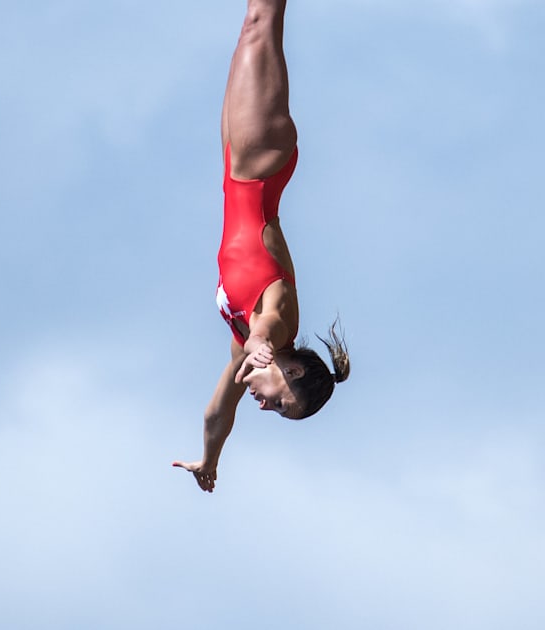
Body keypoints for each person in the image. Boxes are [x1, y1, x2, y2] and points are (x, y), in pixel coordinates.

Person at [172, 0, 350, 493]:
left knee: (248, 25)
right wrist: (257, 347)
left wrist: (209, 461)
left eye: (273, 411)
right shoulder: (279, 323)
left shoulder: (243, 336)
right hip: (263, 159)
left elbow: (216, 412)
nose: (265, 407)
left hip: (237, 161)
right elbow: (265, 331)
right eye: (280, 402)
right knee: (261, 18)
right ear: (290, 369)